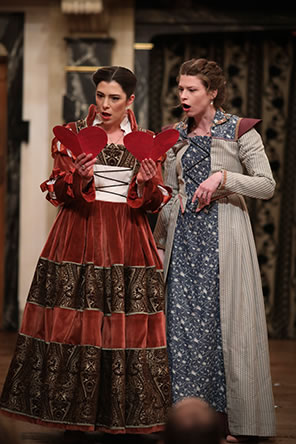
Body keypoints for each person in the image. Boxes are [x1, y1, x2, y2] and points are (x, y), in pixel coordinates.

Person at [0, 66, 172, 437]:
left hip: (128, 238)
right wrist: (77, 178)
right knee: (75, 322)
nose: (105, 105)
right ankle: (70, 414)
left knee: (122, 325)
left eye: (114, 98)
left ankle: (121, 413)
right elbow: (55, 193)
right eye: (100, 96)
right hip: (79, 233)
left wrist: (146, 184)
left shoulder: (144, 139)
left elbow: (156, 201)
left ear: (130, 100)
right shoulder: (74, 135)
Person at [153, 58, 276, 443]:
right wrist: (157, 240)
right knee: (182, 330)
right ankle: (181, 419)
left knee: (223, 330)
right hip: (184, 241)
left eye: (191, 89)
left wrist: (224, 177)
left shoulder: (239, 131)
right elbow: (171, 193)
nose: (183, 96)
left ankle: (226, 422)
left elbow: (266, 185)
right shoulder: (174, 135)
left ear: (213, 92)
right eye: (180, 88)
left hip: (224, 241)